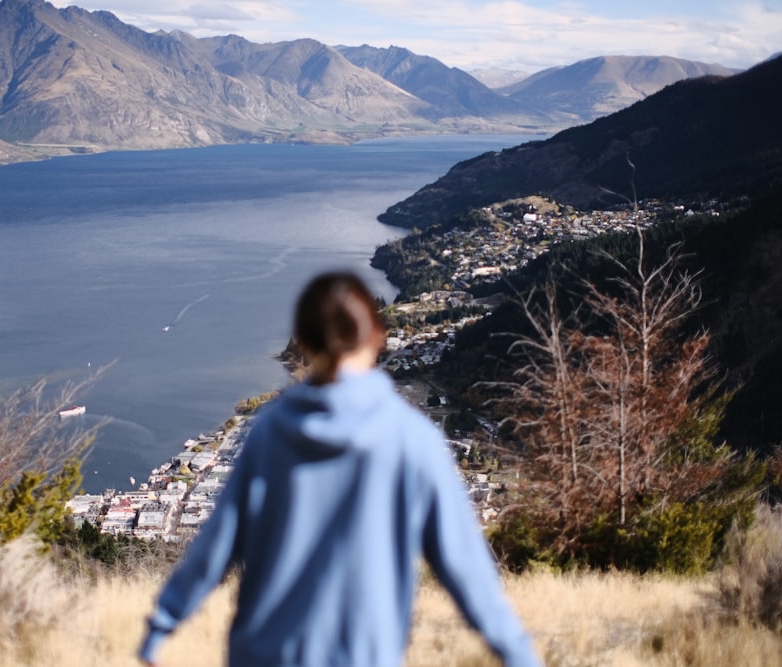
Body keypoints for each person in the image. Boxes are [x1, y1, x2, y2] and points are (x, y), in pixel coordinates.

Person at [137, 270, 542, 667]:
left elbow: (217, 546)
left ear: (303, 344)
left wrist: (162, 625)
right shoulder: (412, 440)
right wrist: (517, 652)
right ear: (377, 338)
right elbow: (463, 566)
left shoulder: (270, 432)